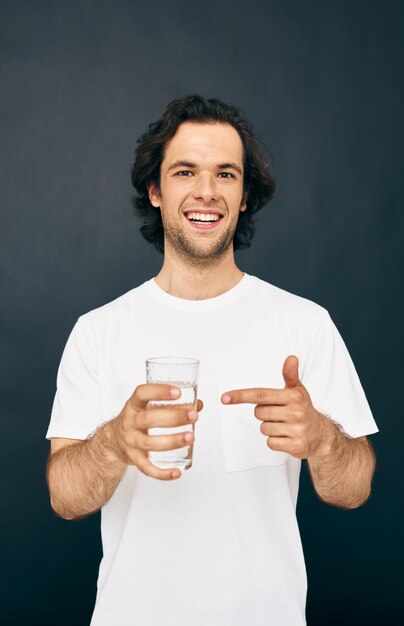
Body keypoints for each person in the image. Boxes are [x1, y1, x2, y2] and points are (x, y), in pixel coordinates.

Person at [46, 95, 378, 626]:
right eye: (185, 171)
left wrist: (322, 438)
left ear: (245, 195)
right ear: (155, 190)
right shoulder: (98, 331)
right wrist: (113, 442)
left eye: (226, 174)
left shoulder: (305, 323)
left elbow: (355, 487)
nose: (207, 191)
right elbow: (65, 497)